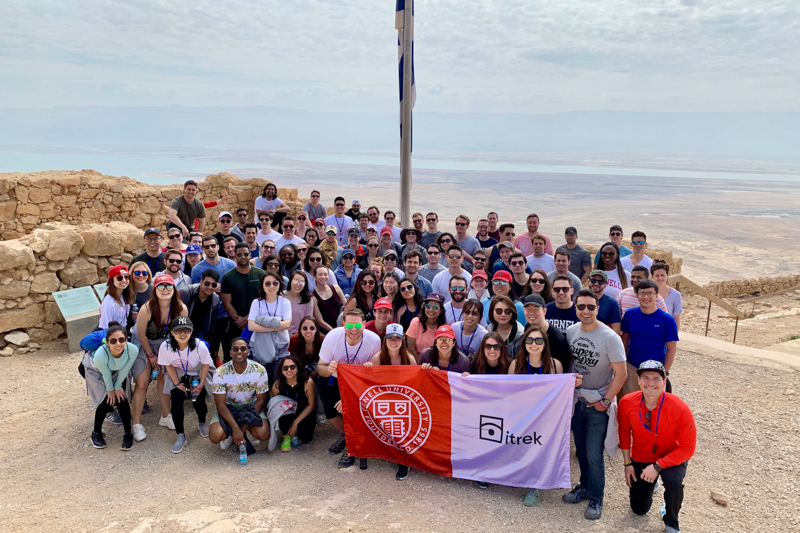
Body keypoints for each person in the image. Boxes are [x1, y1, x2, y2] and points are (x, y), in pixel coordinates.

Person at [563, 289, 627, 520]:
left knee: (593, 454)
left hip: (597, 403)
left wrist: (605, 401)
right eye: (581, 307)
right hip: (578, 400)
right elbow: (571, 360)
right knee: (580, 451)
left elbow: (621, 375)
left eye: (591, 307)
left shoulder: (610, 338)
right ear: (576, 308)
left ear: (598, 309)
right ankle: (584, 487)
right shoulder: (571, 331)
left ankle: (596, 498)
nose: (586, 311)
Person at [618, 360, 696, 533]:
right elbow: (624, 433)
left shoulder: (679, 408)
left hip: (671, 457)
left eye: (656, 378)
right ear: (638, 381)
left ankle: (671, 520)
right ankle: (652, 485)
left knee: (673, 482)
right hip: (642, 456)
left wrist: (657, 466)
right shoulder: (627, 402)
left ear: (664, 380)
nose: (650, 383)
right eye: (645, 378)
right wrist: (627, 464)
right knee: (638, 510)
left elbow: (688, 449)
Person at [316, 309, 382, 468]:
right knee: (331, 412)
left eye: (358, 324)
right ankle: (346, 436)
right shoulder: (332, 337)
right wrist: (329, 369)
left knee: (356, 411)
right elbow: (320, 367)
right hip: (335, 380)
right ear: (343, 324)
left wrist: (349, 398)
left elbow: (373, 376)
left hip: (359, 383)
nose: (354, 329)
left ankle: (351, 446)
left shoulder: (374, 340)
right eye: (350, 324)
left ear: (364, 325)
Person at [131, 274, 188, 439]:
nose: (165, 290)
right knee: (142, 384)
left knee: (164, 379)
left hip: (165, 346)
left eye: (168, 286)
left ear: (174, 289)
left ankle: (165, 415)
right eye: (161, 286)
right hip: (144, 345)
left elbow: (181, 332)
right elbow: (141, 334)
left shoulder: (180, 308)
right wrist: (150, 355)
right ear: (155, 289)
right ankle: (137, 423)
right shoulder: (147, 308)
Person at [158, 317, 213, 454]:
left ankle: (202, 422)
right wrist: (177, 383)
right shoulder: (165, 347)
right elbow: (169, 365)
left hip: (197, 370)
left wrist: (200, 385)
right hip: (177, 372)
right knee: (176, 403)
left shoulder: (199, 345)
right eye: (178, 330)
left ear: (192, 331)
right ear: (172, 332)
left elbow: (206, 365)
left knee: (199, 400)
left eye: (186, 330)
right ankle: (180, 435)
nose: (182, 334)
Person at [82, 322, 137, 451]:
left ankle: (128, 433)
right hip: (95, 370)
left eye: (122, 339)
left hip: (116, 369)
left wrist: (118, 387)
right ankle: (96, 433)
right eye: (113, 341)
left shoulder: (132, 349)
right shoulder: (101, 355)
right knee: (106, 400)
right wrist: (111, 390)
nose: (118, 344)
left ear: (126, 339)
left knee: (121, 397)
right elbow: (106, 374)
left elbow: (125, 368)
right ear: (107, 343)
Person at [209, 337, 270, 451]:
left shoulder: (259, 370)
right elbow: (220, 405)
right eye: (235, 349)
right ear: (230, 352)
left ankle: (247, 431)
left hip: (250, 407)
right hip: (229, 407)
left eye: (243, 348)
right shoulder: (220, 372)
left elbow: (261, 401)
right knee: (215, 436)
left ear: (248, 351)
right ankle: (229, 434)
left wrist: (241, 429)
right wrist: (235, 428)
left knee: (264, 434)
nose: (239, 352)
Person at [620, 280, 679, 397]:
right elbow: (625, 339)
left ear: (657, 296)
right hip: (632, 368)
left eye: (650, 293)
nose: (646, 297)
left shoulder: (667, 320)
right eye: (642, 293)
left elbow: (671, 349)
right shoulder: (630, 314)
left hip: (656, 370)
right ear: (637, 295)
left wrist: (665, 373)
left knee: (653, 404)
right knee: (631, 402)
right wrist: (623, 364)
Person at [221, 243, 265, 361]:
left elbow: (263, 300)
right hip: (235, 324)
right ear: (235, 256)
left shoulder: (260, 274)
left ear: (250, 255)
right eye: (239, 254)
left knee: (257, 356)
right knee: (236, 357)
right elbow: (227, 303)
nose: (243, 257)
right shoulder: (227, 277)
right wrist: (240, 321)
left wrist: (247, 319)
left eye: (246, 254)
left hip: (257, 322)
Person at [247, 271, 292, 382]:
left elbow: (286, 324)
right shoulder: (256, 303)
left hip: (281, 347)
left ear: (280, 284)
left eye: (275, 283)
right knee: (263, 381)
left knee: (278, 381)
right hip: (261, 347)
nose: (271, 286)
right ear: (262, 285)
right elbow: (251, 326)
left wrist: (262, 321)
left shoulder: (285, 302)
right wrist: (276, 324)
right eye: (267, 283)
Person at [272, 354, 317, 450]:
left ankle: (296, 430)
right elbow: (277, 407)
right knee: (283, 418)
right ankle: (286, 435)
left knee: (305, 438)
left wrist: (295, 423)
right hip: (288, 412)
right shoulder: (277, 385)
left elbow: (311, 404)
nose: (289, 370)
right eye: (285, 368)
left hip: (304, 411)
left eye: (292, 367)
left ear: (297, 368)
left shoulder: (307, 382)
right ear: (282, 371)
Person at [516, 294, 571, 372]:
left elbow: (562, 372)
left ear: (544, 311)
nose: (531, 313)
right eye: (528, 309)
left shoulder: (558, 340)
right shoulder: (528, 326)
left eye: (535, 309)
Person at [178, 269, 221, 345]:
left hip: (200, 332)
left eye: (213, 285)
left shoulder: (215, 299)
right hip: (182, 329)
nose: (210, 287)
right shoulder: (185, 293)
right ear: (201, 282)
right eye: (207, 284)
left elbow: (212, 324)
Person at [312, 266, 347, 332]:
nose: (323, 277)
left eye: (325, 274)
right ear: (314, 276)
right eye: (320, 274)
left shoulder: (336, 288)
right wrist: (333, 331)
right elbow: (320, 322)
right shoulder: (313, 297)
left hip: (341, 326)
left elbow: (347, 306)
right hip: (327, 330)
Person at [99, 265, 134, 329]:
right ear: (112, 280)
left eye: (126, 277)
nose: (124, 280)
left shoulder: (125, 295)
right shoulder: (109, 302)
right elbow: (105, 327)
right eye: (119, 278)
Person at [284, 270, 317, 336]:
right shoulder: (281, 296)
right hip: (283, 333)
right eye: (295, 280)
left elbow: (309, 320)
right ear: (290, 281)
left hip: (300, 334)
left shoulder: (308, 299)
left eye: (302, 282)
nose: (298, 284)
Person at [651, 262, 683, 329]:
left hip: (666, 332)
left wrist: (674, 337)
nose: (660, 278)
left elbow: (676, 319)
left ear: (667, 276)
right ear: (652, 277)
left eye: (662, 275)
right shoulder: (648, 293)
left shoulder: (675, 295)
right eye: (657, 275)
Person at [128, 262, 153, 329]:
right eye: (137, 273)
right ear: (131, 274)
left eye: (144, 273)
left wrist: (141, 316)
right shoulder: (126, 290)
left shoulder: (154, 291)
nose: (141, 275)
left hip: (146, 329)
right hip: (127, 329)